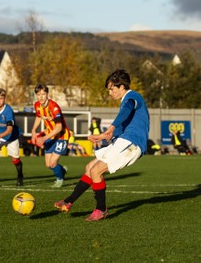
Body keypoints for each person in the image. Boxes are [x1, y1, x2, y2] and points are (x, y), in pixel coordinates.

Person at [54, 69, 150, 221]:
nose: (110, 93)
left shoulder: (132, 97)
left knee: (97, 171)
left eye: (112, 89)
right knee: (90, 168)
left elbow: (126, 110)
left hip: (132, 142)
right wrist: (106, 135)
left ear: (122, 87)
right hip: (123, 140)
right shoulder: (125, 100)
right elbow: (124, 121)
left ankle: (101, 209)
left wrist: (110, 128)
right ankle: (69, 201)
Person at [31, 84, 71, 188]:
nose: (41, 97)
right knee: (48, 165)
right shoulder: (37, 105)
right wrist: (33, 130)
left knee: (53, 163)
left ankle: (60, 179)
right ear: (36, 95)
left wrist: (44, 137)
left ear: (47, 94)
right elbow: (39, 117)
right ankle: (62, 170)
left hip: (62, 136)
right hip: (50, 136)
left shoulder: (54, 107)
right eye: (38, 94)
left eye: (43, 94)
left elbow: (58, 127)